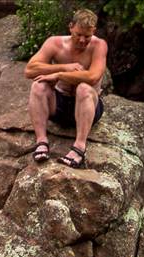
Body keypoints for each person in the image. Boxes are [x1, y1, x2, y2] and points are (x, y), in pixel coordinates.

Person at [26, 8, 108, 168]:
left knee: (83, 88)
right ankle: (41, 142)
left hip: (88, 107)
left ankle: (79, 149)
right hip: (59, 106)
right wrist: (65, 67)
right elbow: (30, 70)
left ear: (94, 31)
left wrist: (59, 75)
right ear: (71, 27)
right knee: (38, 85)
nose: (83, 40)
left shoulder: (99, 45)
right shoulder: (55, 43)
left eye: (87, 36)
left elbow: (93, 77)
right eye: (78, 34)